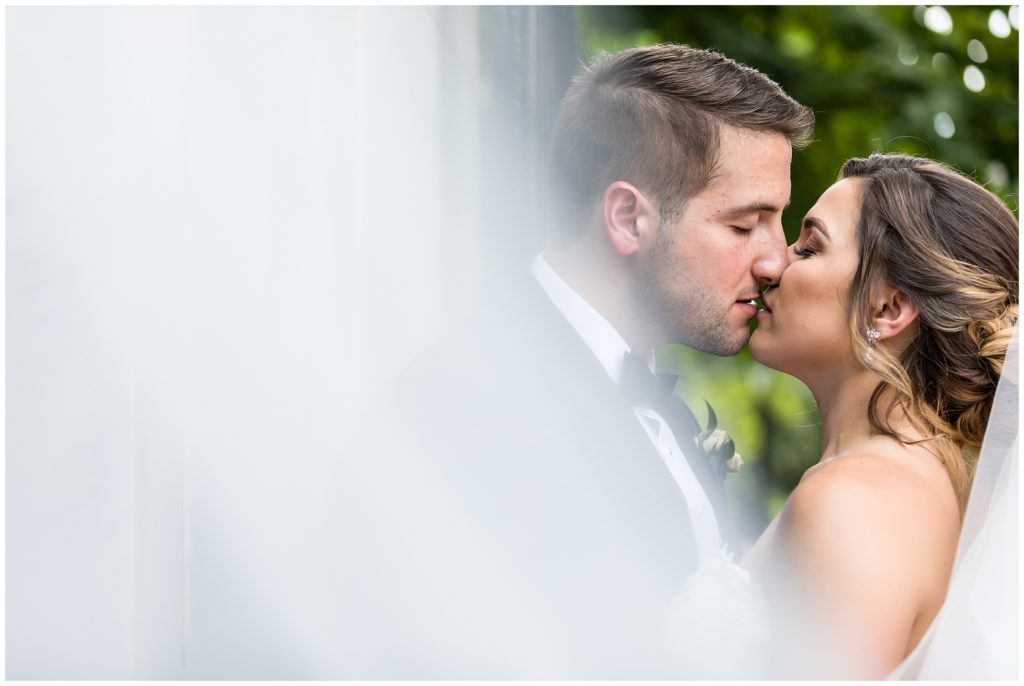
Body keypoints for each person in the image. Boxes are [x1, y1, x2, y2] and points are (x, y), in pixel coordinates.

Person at [320, 43, 814, 678]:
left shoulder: (663, 406)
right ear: (628, 218)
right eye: (746, 226)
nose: (776, 260)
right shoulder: (461, 409)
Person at [738, 153, 1019, 678]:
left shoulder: (852, 503)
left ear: (887, 310)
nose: (776, 264)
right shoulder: (918, 486)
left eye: (811, 246)